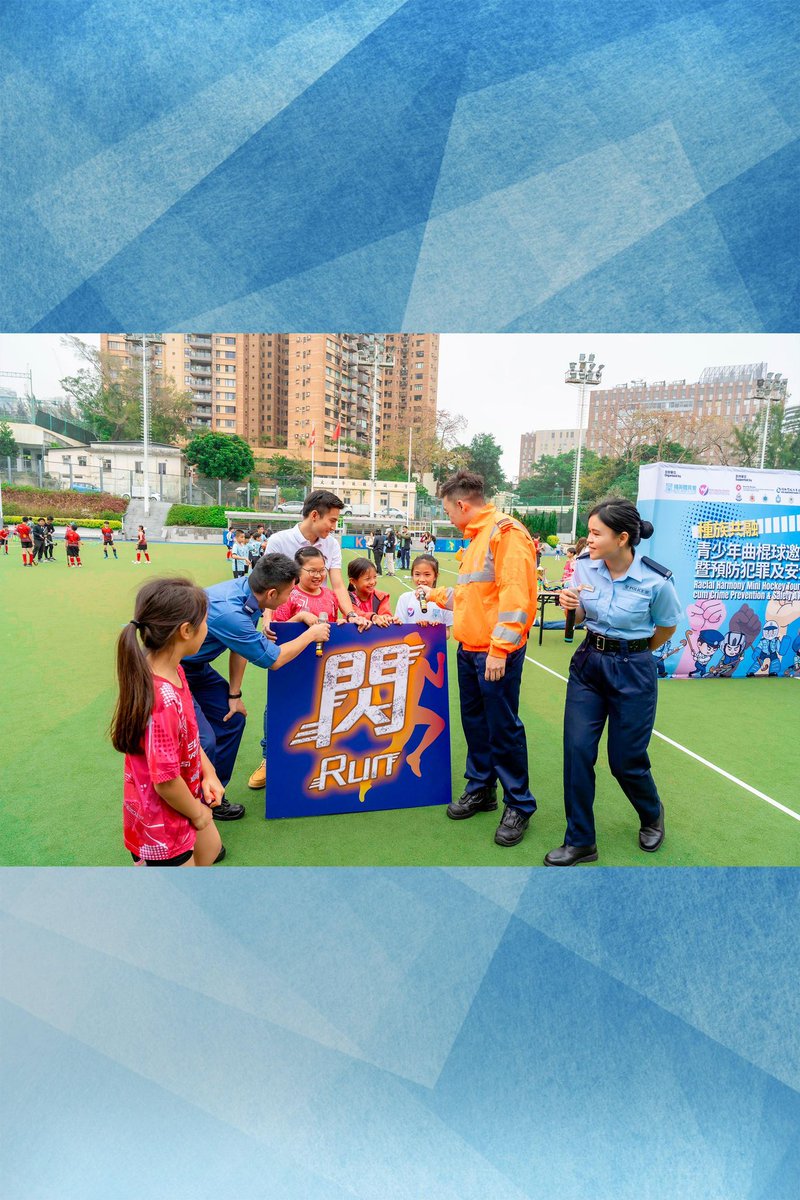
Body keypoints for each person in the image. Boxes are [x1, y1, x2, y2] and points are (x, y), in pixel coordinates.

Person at [545, 498, 682, 867]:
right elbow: (580, 613)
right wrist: (568, 603)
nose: (587, 539)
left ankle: (652, 814)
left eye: (595, 533)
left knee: (625, 760)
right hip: (589, 665)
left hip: (633, 670)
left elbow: (667, 626)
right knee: (577, 753)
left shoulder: (656, 580)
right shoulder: (584, 568)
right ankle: (580, 842)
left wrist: (635, 650)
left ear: (622, 538)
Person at [417, 471, 538, 847]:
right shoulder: (476, 538)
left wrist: (500, 650)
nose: (448, 516)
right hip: (469, 649)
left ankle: (519, 803)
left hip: (493, 653)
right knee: (475, 724)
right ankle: (481, 787)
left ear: (462, 504)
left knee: (502, 727)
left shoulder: (506, 534)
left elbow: (516, 598)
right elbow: (471, 597)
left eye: (447, 509)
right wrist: (434, 594)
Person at [183, 552, 331, 816]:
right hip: (170, 669)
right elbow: (273, 660)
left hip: (195, 668)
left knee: (232, 720)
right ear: (272, 594)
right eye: (288, 593)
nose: (289, 598)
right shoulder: (231, 612)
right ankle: (192, 808)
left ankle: (214, 796)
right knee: (203, 741)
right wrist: (310, 635)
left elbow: (239, 647)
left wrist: (234, 694)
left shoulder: (248, 594)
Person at [110, 577, 224, 866]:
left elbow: (188, 736)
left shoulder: (174, 672)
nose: (207, 629)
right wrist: (198, 814)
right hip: (163, 824)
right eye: (205, 622)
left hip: (183, 803)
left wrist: (207, 772)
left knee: (210, 850)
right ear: (186, 631)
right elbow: (166, 782)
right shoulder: (161, 699)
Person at [271, 546, 342, 625]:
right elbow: (278, 630)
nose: (318, 576)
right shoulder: (287, 596)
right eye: (312, 571)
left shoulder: (331, 595)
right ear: (298, 570)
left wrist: (339, 624)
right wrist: (300, 617)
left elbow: (332, 625)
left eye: (322, 570)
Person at [394, 554, 453, 638]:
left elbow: (447, 634)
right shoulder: (404, 598)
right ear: (412, 575)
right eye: (417, 574)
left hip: (434, 649)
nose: (421, 579)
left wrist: (438, 630)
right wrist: (418, 628)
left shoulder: (443, 599)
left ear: (435, 576)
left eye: (427, 574)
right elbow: (398, 629)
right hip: (411, 647)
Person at [347, 557, 394, 625]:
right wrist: (373, 617)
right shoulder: (347, 599)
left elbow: (385, 614)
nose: (372, 582)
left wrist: (386, 618)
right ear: (353, 581)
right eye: (367, 579)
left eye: (375, 577)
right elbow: (355, 613)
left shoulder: (381, 597)